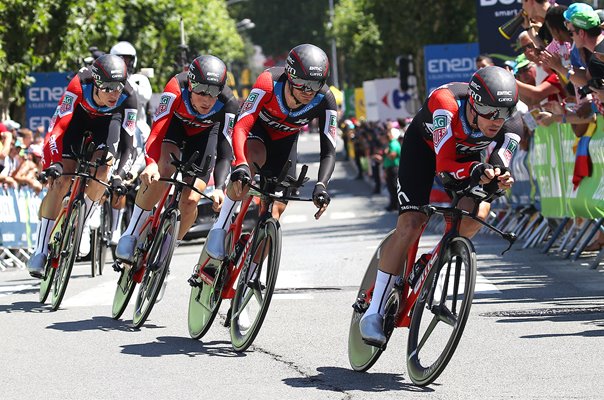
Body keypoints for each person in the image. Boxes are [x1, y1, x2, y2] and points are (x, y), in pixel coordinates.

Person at [359, 66, 522, 346]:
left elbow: (499, 165)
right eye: (490, 111)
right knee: (411, 223)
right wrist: (475, 169)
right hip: (425, 152)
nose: (497, 120)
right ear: (473, 102)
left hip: (468, 160)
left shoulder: (512, 125)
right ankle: (373, 312)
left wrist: (498, 177)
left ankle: (433, 259)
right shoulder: (446, 104)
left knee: (477, 213)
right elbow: (444, 164)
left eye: (504, 112)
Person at [204, 43, 337, 260]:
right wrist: (241, 164)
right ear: (290, 76)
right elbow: (242, 125)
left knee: (275, 213)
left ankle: (251, 272)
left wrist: (321, 185)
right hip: (257, 132)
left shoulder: (326, 99)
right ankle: (220, 227)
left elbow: (329, 150)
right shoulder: (268, 82)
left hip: (285, 144)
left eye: (315, 84)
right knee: (250, 166)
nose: (308, 91)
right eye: (302, 83)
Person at [115, 54, 238, 263]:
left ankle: (166, 253)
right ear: (190, 85)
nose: (207, 99)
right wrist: (151, 163)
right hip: (174, 129)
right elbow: (157, 131)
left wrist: (219, 187)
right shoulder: (175, 86)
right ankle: (132, 232)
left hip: (205, 136)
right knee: (163, 172)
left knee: (191, 201)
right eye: (201, 91)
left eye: (213, 92)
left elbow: (226, 151)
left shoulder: (228, 102)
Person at [27, 54, 138, 278]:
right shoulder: (79, 83)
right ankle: (39, 251)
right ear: (96, 82)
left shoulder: (128, 97)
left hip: (107, 126)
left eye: (118, 87)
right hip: (76, 123)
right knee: (62, 180)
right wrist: (55, 163)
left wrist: (120, 174)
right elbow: (57, 128)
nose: (114, 94)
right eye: (107, 88)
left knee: (104, 170)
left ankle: (83, 219)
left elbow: (128, 144)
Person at [108, 41, 154, 245]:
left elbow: (144, 96)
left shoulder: (139, 79)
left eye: (128, 60)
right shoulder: (106, 79)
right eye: (120, 60)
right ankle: (112, 228)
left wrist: (126, 80)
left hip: (138, 129)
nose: (124, 64)